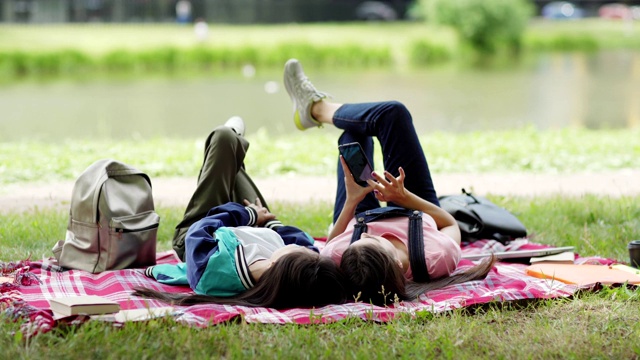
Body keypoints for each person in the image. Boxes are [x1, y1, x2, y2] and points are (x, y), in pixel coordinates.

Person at [283, 58, 496, 306]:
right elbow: (449, 223)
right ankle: (316, 109)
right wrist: (405, 198)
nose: (373, 234)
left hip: (360, 209)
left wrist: (352, 202)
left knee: (352, 136)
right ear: (396, 262)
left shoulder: (347, 260)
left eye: (359, 241)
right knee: (393, 114)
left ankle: (314, 110)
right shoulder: (434, 258)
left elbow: (329, 246)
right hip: (414, 205)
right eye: (373, 239)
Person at [133, 116, 348, 309]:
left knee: (222, 139)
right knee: (229, 159)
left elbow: (202, 228)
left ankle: (232, 142)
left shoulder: (213, 268)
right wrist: (265, 221)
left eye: (301, 250)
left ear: (278, 265)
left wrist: (251, 215)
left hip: (206, 229)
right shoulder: (293, 269)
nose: (308, 248)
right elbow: (302, 241)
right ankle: (233, 150)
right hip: (253, 224)